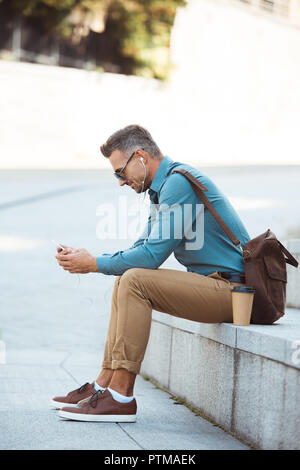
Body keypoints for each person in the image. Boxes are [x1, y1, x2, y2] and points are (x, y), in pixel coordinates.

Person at [51, 124, 250, 422]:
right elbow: (142, 248)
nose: (120, 182)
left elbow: (151, 257)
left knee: (135, 280)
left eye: (120, 172)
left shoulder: (178, 183)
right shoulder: (163, 188)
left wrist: (93, 263)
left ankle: (121, 396)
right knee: (126, 278)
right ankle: (103, 385)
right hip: (213, 286)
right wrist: (94, 259)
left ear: (141, 157)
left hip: (236, 294)